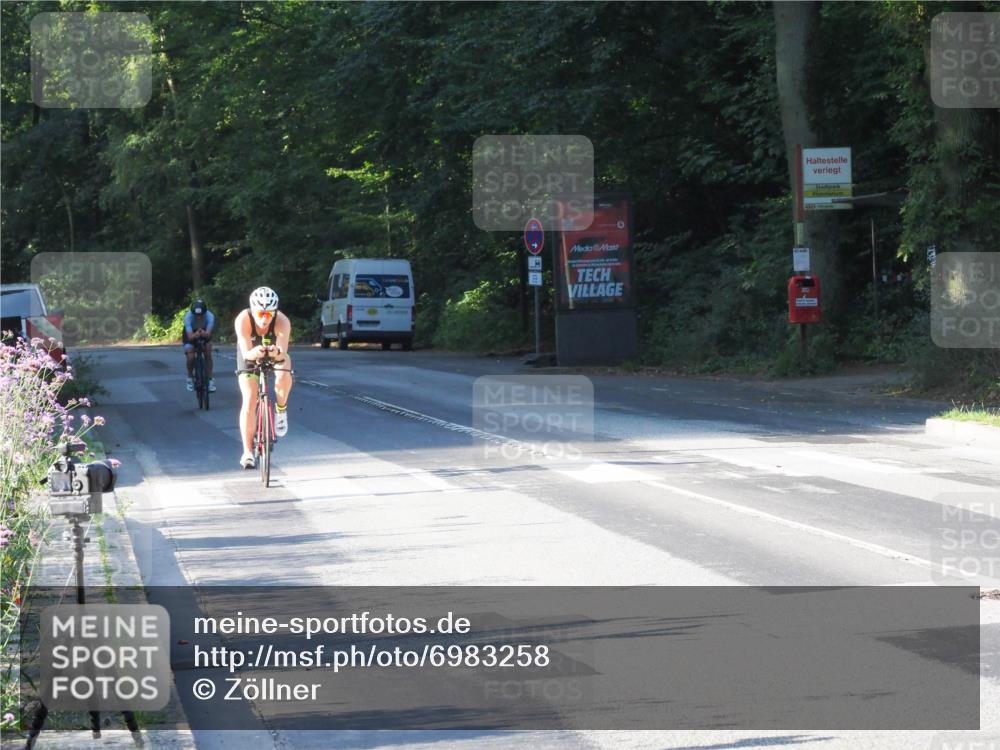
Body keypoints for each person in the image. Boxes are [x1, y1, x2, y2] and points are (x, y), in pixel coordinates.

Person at [234, 286, 293, 469]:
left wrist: (276, 351)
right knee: (250, 398)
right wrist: (255, 352)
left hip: (273, 352)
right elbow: (246, 353)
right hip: (250, 353)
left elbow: (282, 352)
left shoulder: (282, 320)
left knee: (284, 371)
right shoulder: (243, 319)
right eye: (261, 313)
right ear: (253, 309)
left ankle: (281, 410)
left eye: (269, 314)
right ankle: (248, 452)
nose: (265, 318)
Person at [183, 298, 215, 393]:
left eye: (201, 315)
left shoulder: (210, 316)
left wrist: (204, 334)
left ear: (205, 312)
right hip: (190, 334)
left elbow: (208, 334)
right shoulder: (188, 317)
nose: (199, 317)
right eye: (196, 316)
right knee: (191, 356)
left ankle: (210, 380)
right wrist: (195, 334)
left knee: (208, 353)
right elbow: (189, 336)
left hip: (204, 331)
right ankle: (189, 378)